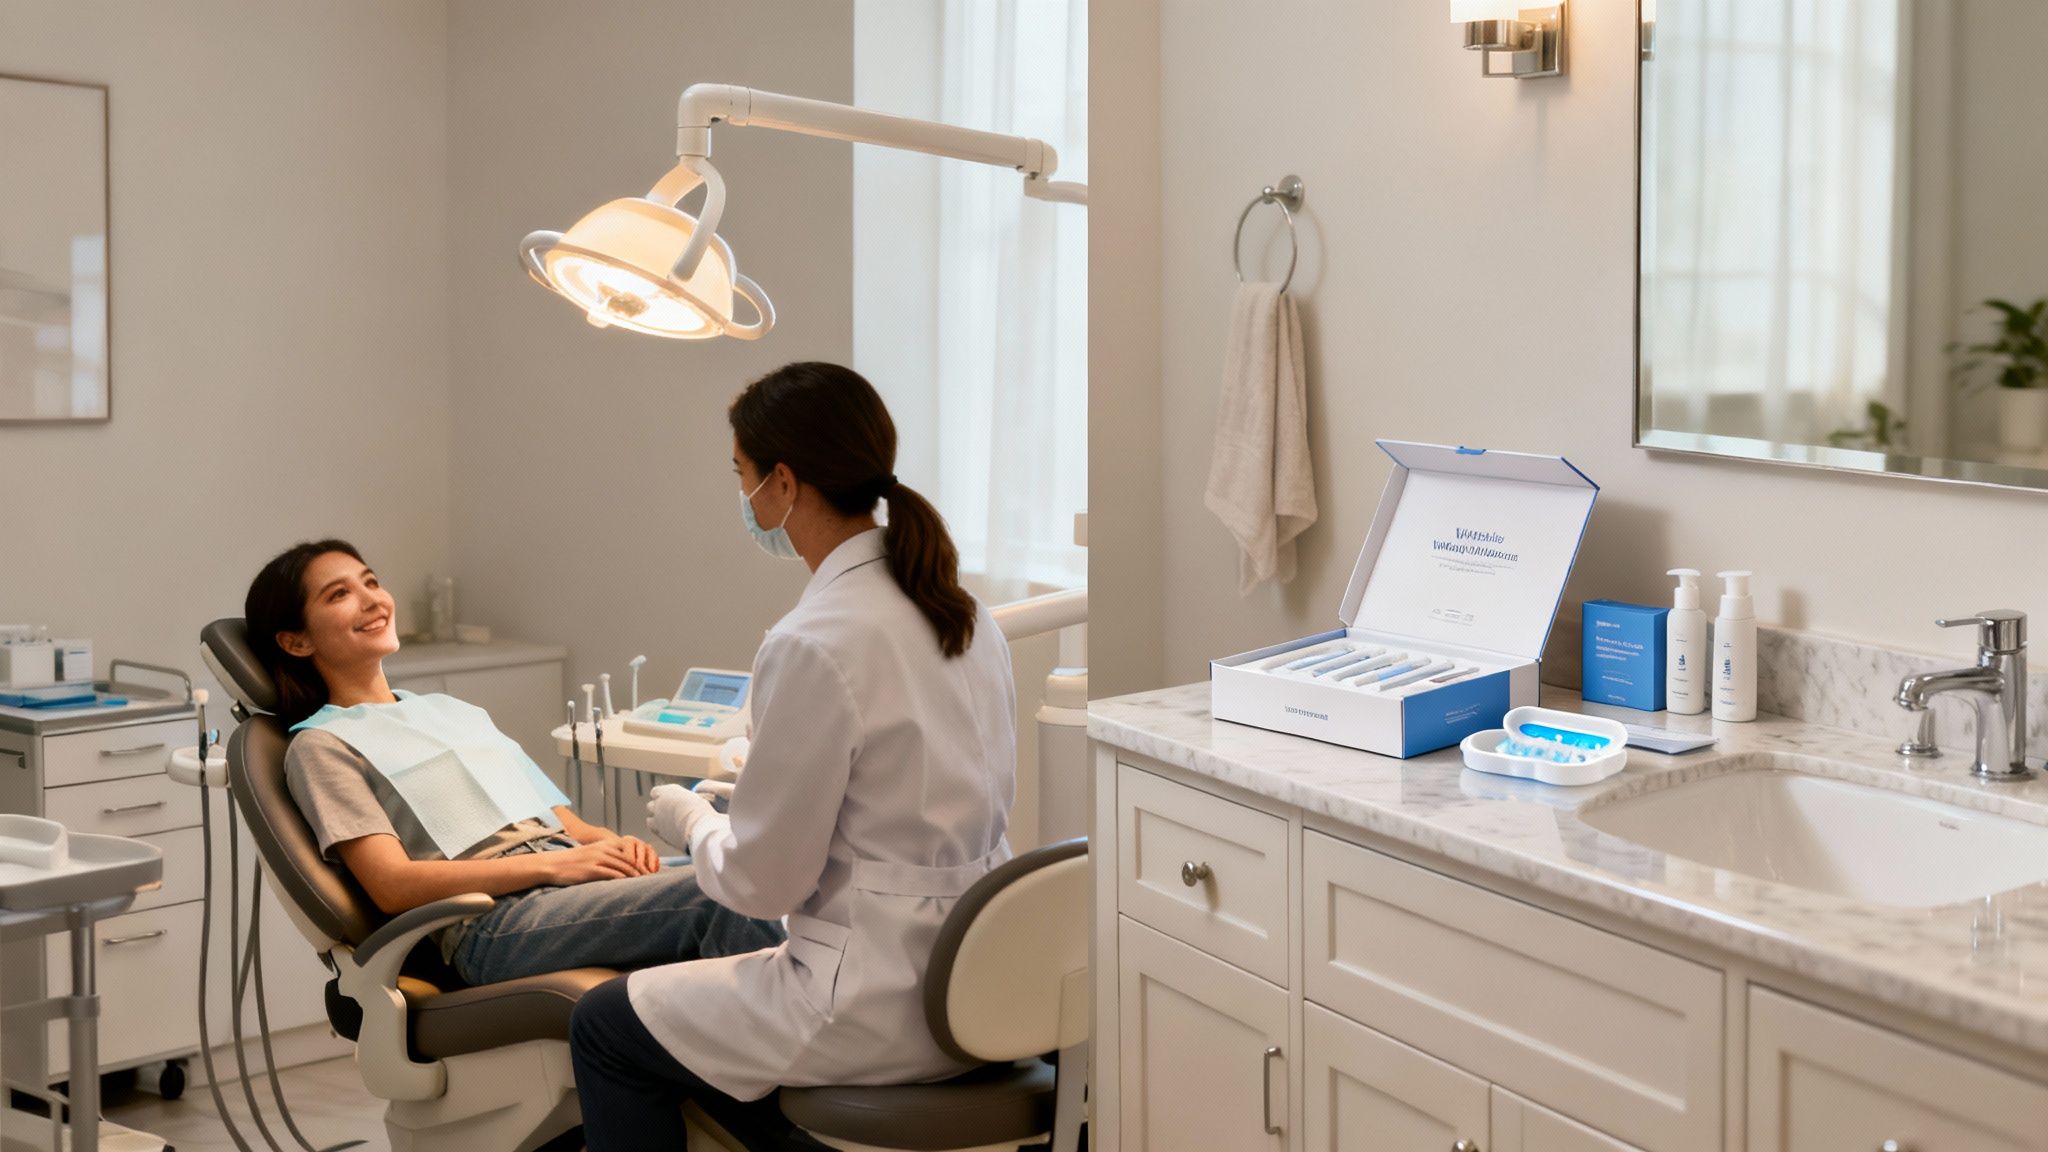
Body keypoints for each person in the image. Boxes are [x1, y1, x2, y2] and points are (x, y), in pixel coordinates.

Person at [568, 362, 1018, 1151]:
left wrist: (691, 820)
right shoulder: (965, 612)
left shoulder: (813, 639)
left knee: (604, 1024)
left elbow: (759, 883)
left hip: (869, 1002)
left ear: (782, 482)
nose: (743, 498)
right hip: (977, 981)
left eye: (741, 476)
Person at [245, 540, 784, 987]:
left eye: (370, 582)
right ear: (295, 640)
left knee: (759, 878)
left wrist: (612, 845)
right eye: (340, 594)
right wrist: (553, 866)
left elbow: (567, 827)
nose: (372, 600)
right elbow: (391, 884)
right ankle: (771, 1097)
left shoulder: (454, 711)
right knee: (718, 898)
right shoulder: (321, 746)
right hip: (493, 922)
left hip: (567, 886)